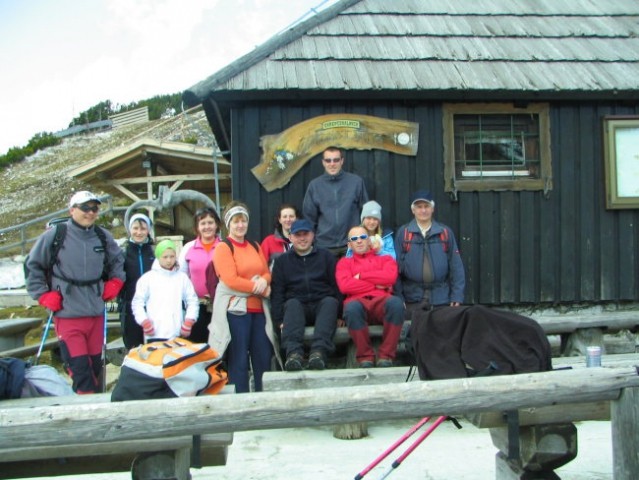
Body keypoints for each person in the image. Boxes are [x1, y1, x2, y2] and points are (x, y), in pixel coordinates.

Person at [26, 191, 125, 394]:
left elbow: (117, 261)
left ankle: (92, 411)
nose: (90, 212)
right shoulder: (55, 235)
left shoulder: (102, 236)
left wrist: (116, 282)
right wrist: (43, 295)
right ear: (72, 210)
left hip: (96, 311)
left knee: (96, 368)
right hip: (67, 311)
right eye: (85, 208)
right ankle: (85, 413)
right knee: (80, 369)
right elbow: (32, 266)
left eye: (94, 208)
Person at [209, 201, 280, 393]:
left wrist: (264, 282)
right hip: (237, 311)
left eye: (243, 221)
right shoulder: (224, 248)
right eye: (235, 221)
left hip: (259, 311)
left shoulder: (255, 246)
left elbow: (266, 273)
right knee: (238, 359)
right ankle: (239, 402)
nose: (240, 225)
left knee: (263, 357)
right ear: (228, 224)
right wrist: (259, 288)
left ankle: (262, 399)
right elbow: (230, 280)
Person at [271, 219, 341, 371]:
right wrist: (279, 320)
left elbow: (336, 287)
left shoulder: (326, 257)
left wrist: (340, 314)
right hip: (297, 307)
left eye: (306, 234)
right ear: (290, 237)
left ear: (313, 235)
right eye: (298, 235)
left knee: (330, 302)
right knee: (292, 304)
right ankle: (294, 355)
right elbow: (277, 293)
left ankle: (319, 353)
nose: (302, 238)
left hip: (322, 304)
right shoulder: (282, 261)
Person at [336, 226, 404, 368]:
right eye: (354, 239)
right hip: (357, 302)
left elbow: (390, 278)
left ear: (369, 240)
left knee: (396, 304)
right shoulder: (344, 263)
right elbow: (345, 286)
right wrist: (376, 284)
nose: (359, 241)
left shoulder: (385, 259)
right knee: (351, 309)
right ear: (349, 244)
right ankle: (365, 356)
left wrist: (361, 276)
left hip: (382, 302)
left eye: (362, 237)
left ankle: (386, 356)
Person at [394, 189, 465, 318]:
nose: (423, 210)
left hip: (441, 299)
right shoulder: (404, 233)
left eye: (427, 206)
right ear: (413, 210)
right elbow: (395, 268)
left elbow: (456, 266)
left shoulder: (445, 232)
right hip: (412, 299)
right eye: (419, 207)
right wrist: (399, 297)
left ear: (432, 209)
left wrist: (457, 296)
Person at [303, 146, 369, 256]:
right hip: (323, 245)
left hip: (352, 244)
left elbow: (365, 213)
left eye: (336, 160)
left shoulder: (356, 182)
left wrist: (363, 237)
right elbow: (309, 217)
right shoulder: (314, 186)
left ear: (342, 161)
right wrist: (313, 241)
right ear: (323, 162)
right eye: (328, 160)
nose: (332, 164)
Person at [131, 239, 199, 342]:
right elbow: (137, 302)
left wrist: (189, 321)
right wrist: (144, 321)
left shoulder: (182, 278)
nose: (169, 260)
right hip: (154, 334)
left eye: (172, 256)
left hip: (176, 333)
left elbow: (192, 300)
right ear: (158, 257)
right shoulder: (147, 279)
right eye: (165, 257)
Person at [178, 207, 223, 343]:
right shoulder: (188, 248)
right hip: (196, 306)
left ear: (217, 225)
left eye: (210, 222)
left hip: (220, 304)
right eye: (203, 224)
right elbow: (181, 277)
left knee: (219, 344)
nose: (207, 227)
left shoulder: (224, 246)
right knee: (197, 344)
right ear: (197, 227)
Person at [119, 213, 155, 349]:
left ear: (148, 230)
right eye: (135, 228)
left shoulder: (154, 252)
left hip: (153, 306)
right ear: (130, 229)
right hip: (129, 307)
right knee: (133, 347)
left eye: (143, 229)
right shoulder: (122, 253)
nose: (139, 233)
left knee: (153, 348)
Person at [261, 203, 299, 268]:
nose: (288, 219)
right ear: (279, 220)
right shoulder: (269, 241)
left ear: (297, 218)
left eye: (291, 216)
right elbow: (261, 266)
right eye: (285, 217)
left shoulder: (303, 241)